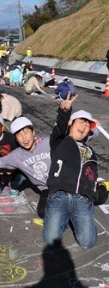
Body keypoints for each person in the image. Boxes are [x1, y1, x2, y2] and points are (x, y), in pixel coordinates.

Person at [43, 96, 108, 249]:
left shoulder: (91, 152)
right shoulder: (60, 141)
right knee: (51, 240)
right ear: (71, 123)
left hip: (82, 199)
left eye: (87, 124)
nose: (84, 126)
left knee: (88, 243)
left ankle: (70, 217)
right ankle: (63, 217)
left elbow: (92, 176)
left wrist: (98, 191)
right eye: (81, 121)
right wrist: (64, 111)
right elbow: (59, 127)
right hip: (60, 194)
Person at [0, 116, 51, 218]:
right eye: (19, 135)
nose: (23, 137)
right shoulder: (17, 155)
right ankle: (7, 185)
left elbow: (62, 135)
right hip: (46, 189)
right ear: (17, 139)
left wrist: (64, 113)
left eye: (26, 132)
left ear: (33, 132)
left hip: (62, 183)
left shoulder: (47, 142)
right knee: (43, 212)